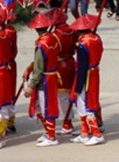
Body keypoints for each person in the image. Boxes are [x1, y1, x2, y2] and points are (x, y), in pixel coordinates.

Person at [25, 12, 61, 147]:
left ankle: (52, 136)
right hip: (51, 75)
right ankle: (48, 131)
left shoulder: (42, 44)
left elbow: (39, 67)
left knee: (45, 107)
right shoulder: (53, 38)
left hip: (45, 78)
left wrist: (31, 84)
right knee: (43, 106)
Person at [68, 14, 104, 146]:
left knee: (85, 103)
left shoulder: (83, 44)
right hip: (95, 72)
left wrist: (78, 86)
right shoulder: (96, 38)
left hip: (87, 75)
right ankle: (84, 133)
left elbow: (82, 66)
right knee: (85, 102)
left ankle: (96, 133)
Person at [45, 9, 78, 135]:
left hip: (60, 66)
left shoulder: (54, 35)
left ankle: (67, 123)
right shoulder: (72, 30)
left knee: (63, 97)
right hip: (70, 62)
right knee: (71, 93)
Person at [0, 8, 17, 149]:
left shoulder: (8, 33)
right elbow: (13, 51)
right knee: (5, 102)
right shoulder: (7, 35)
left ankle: (1, 136)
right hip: (6, 69)